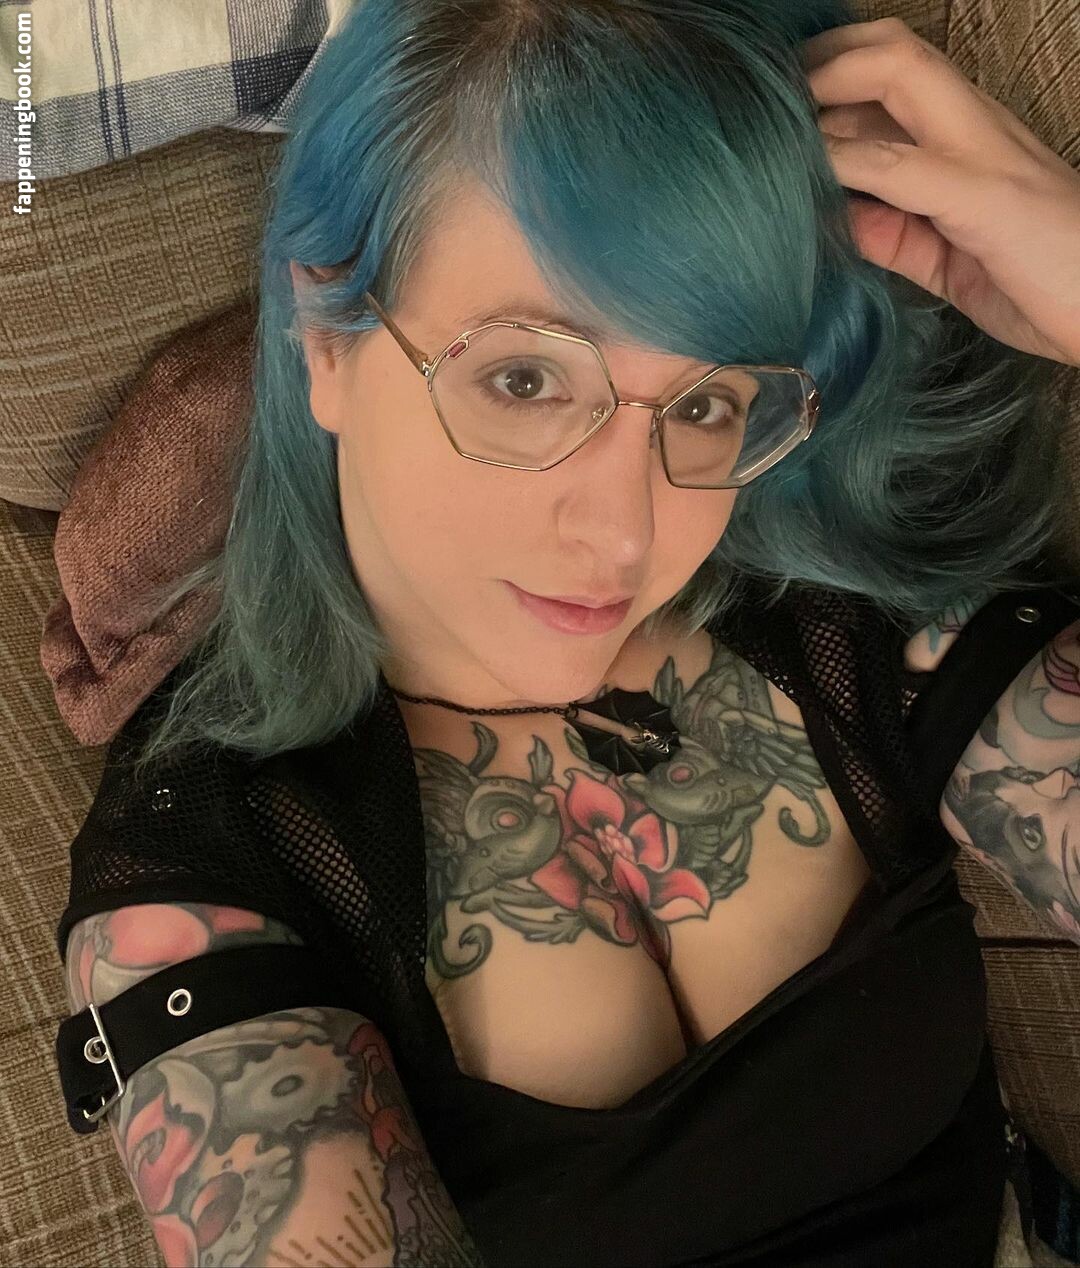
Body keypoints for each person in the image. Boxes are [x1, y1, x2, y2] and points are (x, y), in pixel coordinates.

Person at [52, 3, 1080, 1266]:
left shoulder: (844, 618)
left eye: (703, 401)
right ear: (325, 333)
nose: (625, 530)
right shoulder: (215, 862)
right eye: (528, 378)